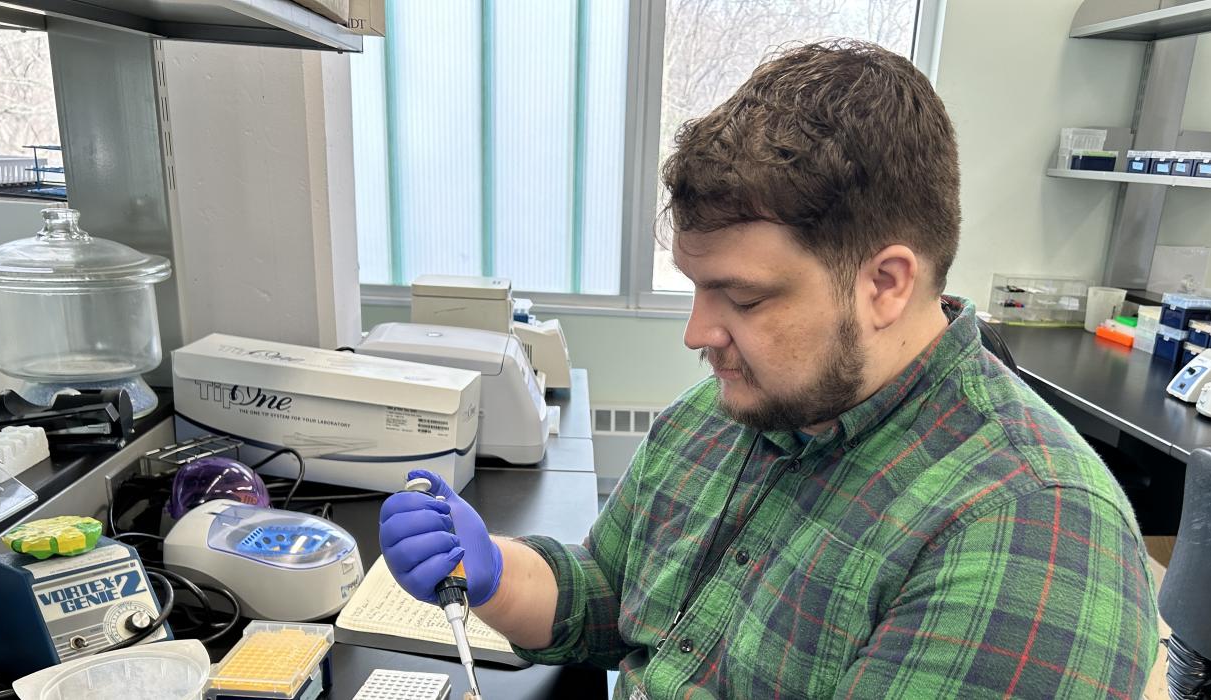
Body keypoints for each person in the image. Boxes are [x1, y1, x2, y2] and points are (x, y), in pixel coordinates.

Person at [380, 39, 1159, 698]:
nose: (698, 333)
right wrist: (492, 575)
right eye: (696, 288)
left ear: (885, 284)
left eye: (743, 298)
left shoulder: (1028, 530)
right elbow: (613, 598)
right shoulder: (719, 418)